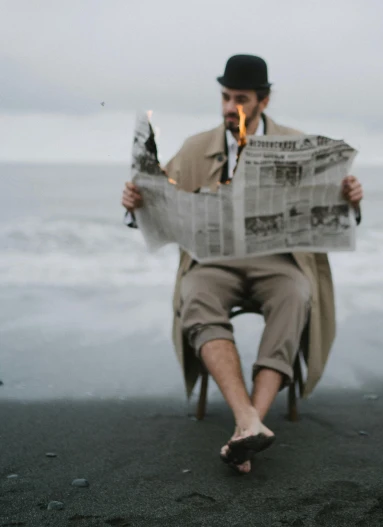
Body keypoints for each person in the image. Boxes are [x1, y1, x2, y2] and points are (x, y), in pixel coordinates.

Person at [121, 55, 363, 474]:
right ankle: (247, 420)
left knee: (296, 295)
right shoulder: (197, 148)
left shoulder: (297, 142)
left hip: (278, 263)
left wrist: (351, 199)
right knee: (195, 294)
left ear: (263, 102)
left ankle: (252, 422)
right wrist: (137, 204)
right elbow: (161, 206)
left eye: (241, 98)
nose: (230, 106)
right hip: (214, 263)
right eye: (225, 96)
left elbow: (329, 215)